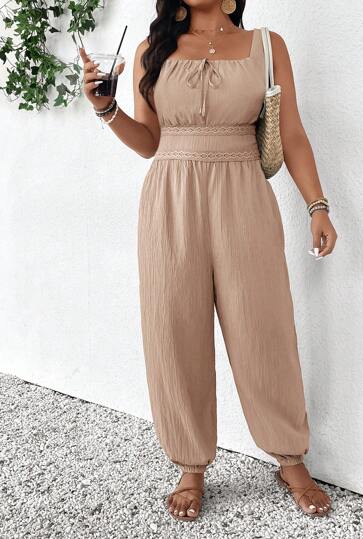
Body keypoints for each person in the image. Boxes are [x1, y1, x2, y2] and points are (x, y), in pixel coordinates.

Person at [80, 0, 338, 522]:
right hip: (170, 198)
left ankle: (290, 458)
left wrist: (317, 205)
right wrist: (106, 109)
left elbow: (290, 132)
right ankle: (190, 466)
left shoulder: (266, 46)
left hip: (244, 194)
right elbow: (150, 143)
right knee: (174, 331)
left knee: (264, 329)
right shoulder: (152, 50)